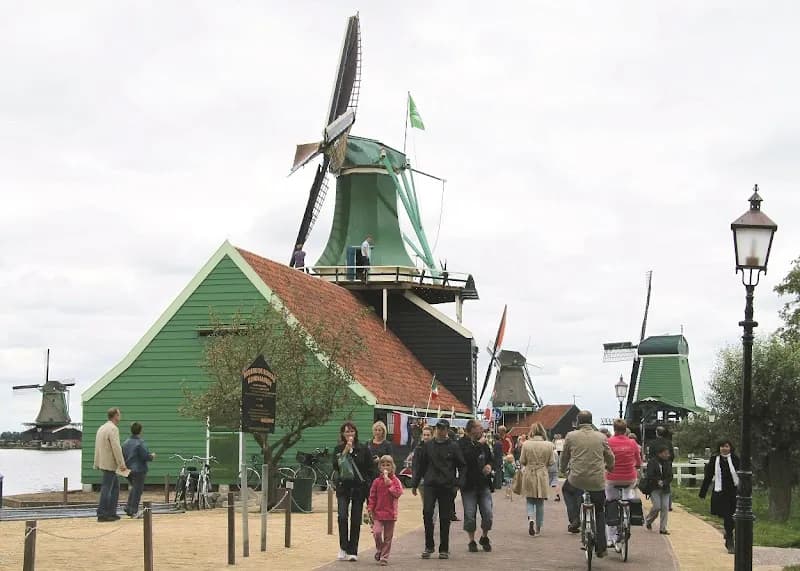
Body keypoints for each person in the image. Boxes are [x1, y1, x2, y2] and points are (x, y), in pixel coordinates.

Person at [560, 410, 615, 557]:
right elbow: (609, 456)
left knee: (567, 490)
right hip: (596, 480)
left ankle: (575, 519)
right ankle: (602, 547)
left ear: (578, 422)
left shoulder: (571, 436)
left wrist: (563, 469)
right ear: (591, 421)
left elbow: (564, 456)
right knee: (599, 509)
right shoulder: (601, 437)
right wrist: (610, 466)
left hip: (576, 479)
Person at [411, 419, 465, 560]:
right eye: (439, 428)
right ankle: (429, 546)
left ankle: (444, 548)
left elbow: (462, 465)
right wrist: (415, 483)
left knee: (445, 517)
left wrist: (458, 483)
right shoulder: (428, 446)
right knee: (427, 512)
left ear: (447, 430)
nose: (441, 431)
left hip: (447, 485)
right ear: (436, 430)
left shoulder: (453, 447)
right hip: (430, 484)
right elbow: (421, 465)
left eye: (444, 428)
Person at [333, 421, 375, 561]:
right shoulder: (338, 449)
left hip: (358, 488)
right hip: (343, 487)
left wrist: (368, 486)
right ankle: (343, 547)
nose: (349, 434)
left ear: (355, 433)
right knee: (342, 516)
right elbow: (336, 466)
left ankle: (353, 551)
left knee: (356, 519)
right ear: (342, 434)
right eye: (347, 432)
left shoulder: (363, 449)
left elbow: (370, 468)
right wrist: (345, 450)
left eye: (351, 431)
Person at [458, 419, 495, 553]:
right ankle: (471, 540)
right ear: (472, 429)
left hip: (483, 483)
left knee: (488, 513)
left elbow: (490, 458)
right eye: (479, 427)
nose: (482, 429)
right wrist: (478, 445)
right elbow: (466, 458)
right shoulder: (462, 443)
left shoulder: (483, 443)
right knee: (469, 514)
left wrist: (489, 466)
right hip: (468, 484)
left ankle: (484, 537)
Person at [605, 419, 642, 550]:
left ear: (614, 429)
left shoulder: (608, 442)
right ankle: (627, 516)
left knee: (610, 502)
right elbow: (638, 461)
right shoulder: (632, 443)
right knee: (627, 495)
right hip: (629, 478)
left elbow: (605, 459)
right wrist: (636, 465)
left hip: (612, 478)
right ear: (626, 429)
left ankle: (610, 538)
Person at [699, 440, 740, 554]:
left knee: (735, 517)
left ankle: (728, 532)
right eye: (722, 446)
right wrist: (703, 492)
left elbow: (742, 473)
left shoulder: (736, 459)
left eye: (726, 446)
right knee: (727, 516)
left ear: (730, 448)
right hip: (721, 492)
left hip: (734, 492)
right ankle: (730, 541)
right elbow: (709, 476)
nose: (724, 449)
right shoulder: (715, 459)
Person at [519, 422, 555, 536]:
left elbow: (522, 460)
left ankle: (531, 519)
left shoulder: (526, 444)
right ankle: (538, 527)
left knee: (529, 499)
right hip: (542, 473)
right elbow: (551, 462)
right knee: (540, 502)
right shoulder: (549, 445)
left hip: (529, 472)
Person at [368, 455, 404, 566]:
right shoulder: (376, 481)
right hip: (378, 513)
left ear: (392, 467)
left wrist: (390, 485)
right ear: (379, 467)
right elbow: (372, 496)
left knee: (388, 537)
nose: (385, 467)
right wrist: (370, 508)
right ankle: (379, 549)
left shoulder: (396, 481)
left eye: (388, 465)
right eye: (383, 465)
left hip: (390, 513)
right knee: (377, 533)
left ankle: (384, 557)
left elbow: (398, 493)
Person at [93, 407, 128, 522]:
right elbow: (116, 447)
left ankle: (111, 512)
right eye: (119, 414)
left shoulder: (102, 428)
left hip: (103, 461)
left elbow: (98, 447)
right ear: (115, 416)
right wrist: (121, 463)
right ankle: (103, 513)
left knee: (114, 488)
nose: (120, 416)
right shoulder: (113, 429)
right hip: (110, 463)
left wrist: (97, 462)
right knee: (107, 488)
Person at [122, 422, 155, 518]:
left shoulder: (126, 442)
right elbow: (145, 456)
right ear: (140, 430)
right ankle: (133, 510)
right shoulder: (140, 443)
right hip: (139, 470)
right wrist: (152, 456)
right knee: (137, 490)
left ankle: (128, 507)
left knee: (134, 489)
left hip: (128, 470)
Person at [644, 444, 673, 535]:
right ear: (660, 453)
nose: (668, 455)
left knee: (665, 507)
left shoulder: (668, 463)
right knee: (657, 507)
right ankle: (648, 520)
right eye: (666, 453)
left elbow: (670, 476)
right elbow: (650, 474)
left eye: (668, 453)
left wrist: (664, 482)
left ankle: (663, 528)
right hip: (654, 488)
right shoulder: (652, 462)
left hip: (665, 488)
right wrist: (657, 481)